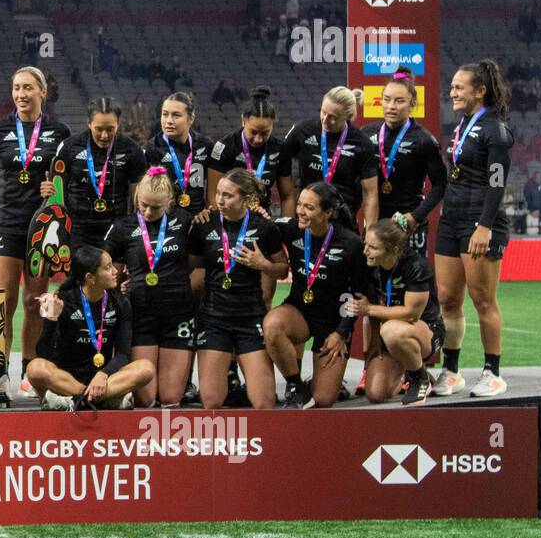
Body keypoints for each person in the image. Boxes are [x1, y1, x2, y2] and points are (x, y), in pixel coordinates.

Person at [0, 66, 71, 381]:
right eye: (17, 88)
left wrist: (53, 190)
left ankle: (30, 370)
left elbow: (67, 184)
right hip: (5, 223)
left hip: (43, 229)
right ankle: (0, 370)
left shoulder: (60, 133)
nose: (21, 94)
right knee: (2, 301)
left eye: (28, 88)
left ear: (43, 91)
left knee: (35, 303)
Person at [433, 59, 515, 398]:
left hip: (481, 223)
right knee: (448, 299)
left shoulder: (496, 130)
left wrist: (484, 227)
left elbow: (497, 184)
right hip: (451, 220)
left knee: (483, 299)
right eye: (452, 86)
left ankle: (492, 373)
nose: (452, 92)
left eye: (459, 87)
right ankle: (451, 371)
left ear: (480, 91)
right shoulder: (462, 125)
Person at [263, 182, 371, 409]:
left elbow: (360, 296)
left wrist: (342, 333)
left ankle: (319, 381)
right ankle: (295, 386)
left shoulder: (351, 244)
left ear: (328, 213)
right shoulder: (291, 228)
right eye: (300, 204)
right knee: (272, 325)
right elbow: (259, 225)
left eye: (309, 207)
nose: (300, 211)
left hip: (332, 322)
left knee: (323, 399)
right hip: (299, 311)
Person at [188, 169, 286, 409]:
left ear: (246, 199)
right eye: (218, 194)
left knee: (264, 402)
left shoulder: (264, 227)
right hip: (213, 318)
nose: (219, 200)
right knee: (211, 401)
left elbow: (282, 269)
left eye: (228, 196)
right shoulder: (204, 224)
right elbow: (192, 266)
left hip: (249, 317)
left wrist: (262, 264)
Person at [104, 168, 196, 407]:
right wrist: (118, 285)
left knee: (169, 398)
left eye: (155, 208)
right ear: (137, 198)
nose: (147, 212)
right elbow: (104, 267)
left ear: (169, 202)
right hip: (140, 314)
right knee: (145, 399)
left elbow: (198, 264)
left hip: (178, 315)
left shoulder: (185, 221)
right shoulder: (123, 226)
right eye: (143, 205)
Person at [30, 245, 153, 410]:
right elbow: (44, 354)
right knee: (35, 368)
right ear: (90, 278)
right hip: (66, 379)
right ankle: (99, 399)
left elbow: (123, 354)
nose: (115, 272)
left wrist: (103, 374)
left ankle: (73, 401)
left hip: (105, 379)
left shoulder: (120, 303)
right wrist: (51, 319)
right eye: (108, 268)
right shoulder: (63, 301)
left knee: (146, 368)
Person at [350, 218, 445, 406]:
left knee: (392, 330)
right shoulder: (368, 266)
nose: (365, 251)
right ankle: (411, 370)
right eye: (366, 244)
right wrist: (375, 338)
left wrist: (369, 309)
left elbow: (412, 314)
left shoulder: (415, 266)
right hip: (389, 335)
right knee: (376, 394)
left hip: (424, 331)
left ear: (392, 249)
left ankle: (419, 378)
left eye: (373, 247)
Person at [366, 69, 446, 257]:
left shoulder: (424, 140)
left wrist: (415, 216)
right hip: (375, 224)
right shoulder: (366, 134)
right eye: (386, 99)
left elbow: (441, 184)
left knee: (413, 282)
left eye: (399, 101)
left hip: (409, 227)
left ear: (412, 104)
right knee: (376, 284)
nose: (391, 106)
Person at [51, 97, 146, 254]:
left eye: (110, 129)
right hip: (78, 230)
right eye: (98, 129)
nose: (104, 135)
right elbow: (58, 191)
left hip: (116, 229)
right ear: (89, 123)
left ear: (118, 123)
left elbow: (138, 200)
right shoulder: (70, 147)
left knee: (111, 278)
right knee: (82, 278)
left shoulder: (132, 150)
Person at [277, 85, 378, 231]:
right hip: (307, 220)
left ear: (348, 117)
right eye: (323, 112)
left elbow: (370, 194)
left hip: (342, 223)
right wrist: (288, 208)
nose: (325, 120)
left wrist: (370, 232)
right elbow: (280, 161)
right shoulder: (303, 130)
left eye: (333, 117)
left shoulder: (362, 143)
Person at [206, 86, 282, 211]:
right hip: (228, 219)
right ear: (243, 121)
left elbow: (287, 195)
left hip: (262, 217)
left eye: (265, 133)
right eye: (253, 132)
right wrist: (221, 226)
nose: (258, 139)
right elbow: (212, 195)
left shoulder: (278, 148)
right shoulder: (225, 147)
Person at [143, 92, 213, 218]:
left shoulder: (205, 145)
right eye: (165, 114)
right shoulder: (152, 148)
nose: (169, 121)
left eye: (176, 115)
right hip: (167, 220)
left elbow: (213, 188)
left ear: (191, 118)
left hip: (198, 218)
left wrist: (209, 211)